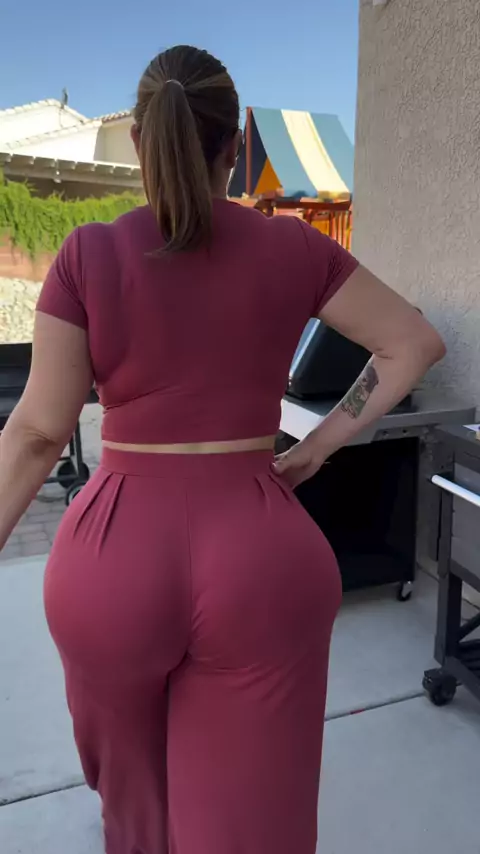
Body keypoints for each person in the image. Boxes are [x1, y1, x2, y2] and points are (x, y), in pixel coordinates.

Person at [0, 45, 445, 854]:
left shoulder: (86, 256)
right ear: (235, 146)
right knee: (249, 825)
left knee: (134, 810)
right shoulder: (294, 249)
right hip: (259, 552)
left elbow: (35, 434)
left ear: (141, 141)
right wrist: (318, 447)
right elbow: (412, 345)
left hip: (113, 562)